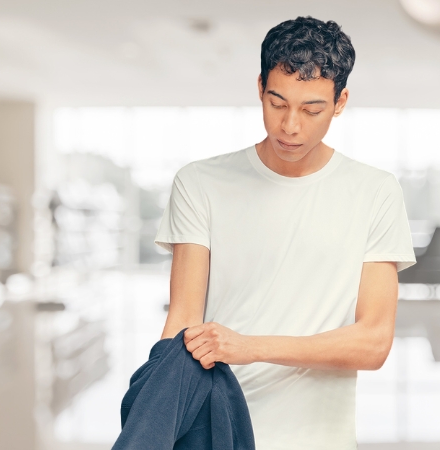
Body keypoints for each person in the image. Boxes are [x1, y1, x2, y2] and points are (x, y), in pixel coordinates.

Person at [154, 16, 416, 450]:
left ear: (340, 102)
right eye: (277, 103)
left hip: (320, 440)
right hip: (217, 431)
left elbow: (373, 342)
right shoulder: (199, 183)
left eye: (312, 109)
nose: (291, 126)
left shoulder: (375, 192)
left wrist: (249, 347)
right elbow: (180, 324)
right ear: (260, 88)